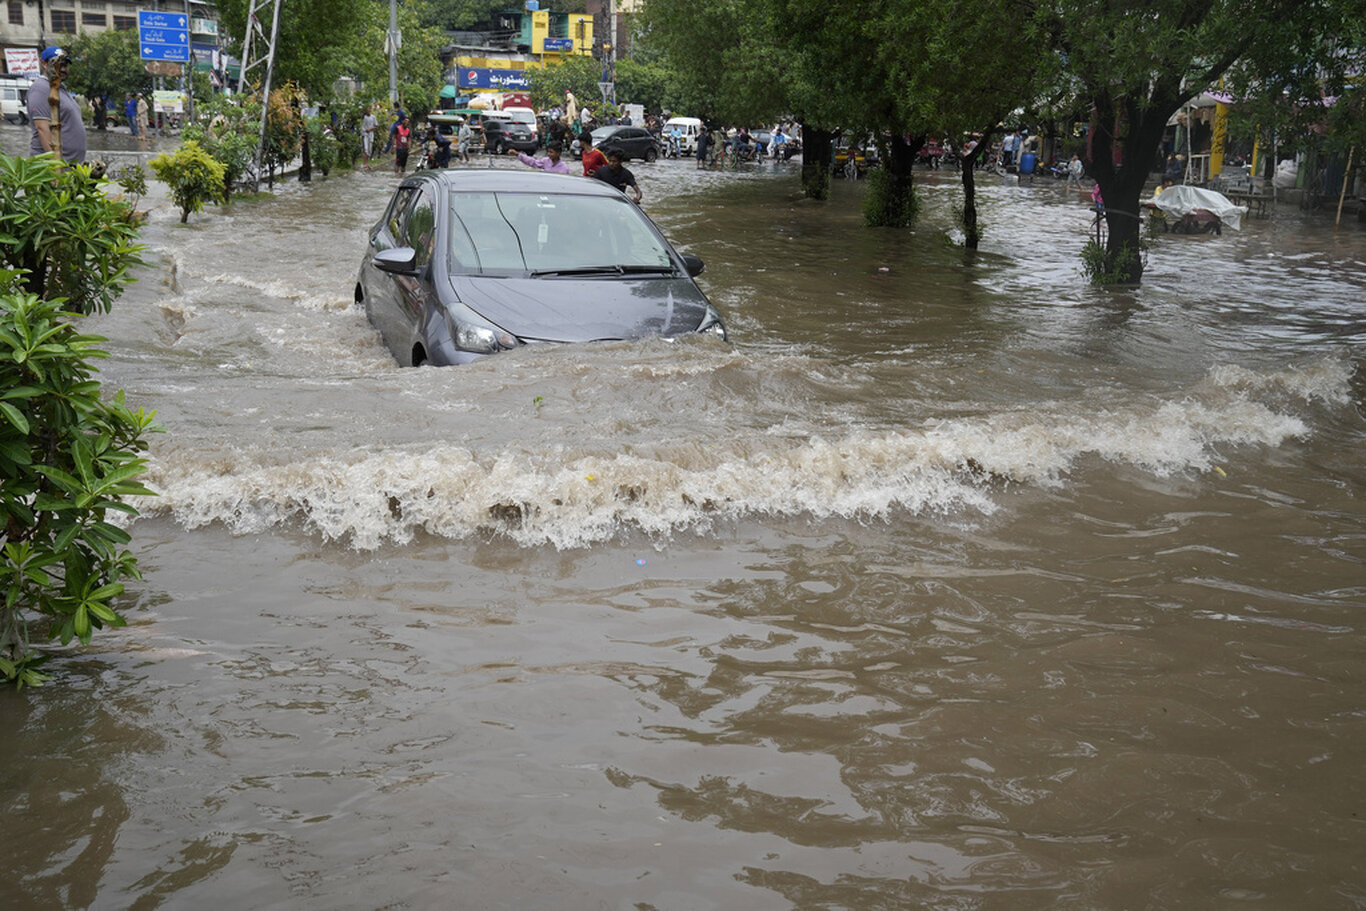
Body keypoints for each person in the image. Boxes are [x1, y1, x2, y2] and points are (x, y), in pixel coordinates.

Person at [27, 47, 86, 164]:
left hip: (70, 164)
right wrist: (56, 166)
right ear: (44, 64)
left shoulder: (60, 88)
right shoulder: (40, 88)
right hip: (53, 167)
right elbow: (42, 128)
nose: (63, 69)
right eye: (59, 65)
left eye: (66, 65)